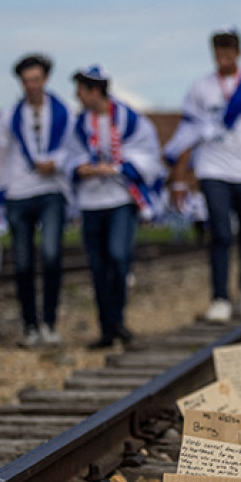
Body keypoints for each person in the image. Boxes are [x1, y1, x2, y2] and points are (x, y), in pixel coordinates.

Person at [165, 27, 241, 324]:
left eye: (228, 51)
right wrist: (179, 177)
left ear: (238, 53)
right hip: (212, 167)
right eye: (218, 51)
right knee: (220, 233)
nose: (223, 57)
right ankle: (220, 297)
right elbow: (188, 132)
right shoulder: (200, 87)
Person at [65, 65, 164, 349]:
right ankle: (107, 327)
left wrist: (120, 167)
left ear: (95, 91)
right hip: (91, 201)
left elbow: (149, 156)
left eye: (81, 91)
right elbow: (68, 157)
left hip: (120, 199)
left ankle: (118, 319)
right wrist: (79, 167)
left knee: (118, 257)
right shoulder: (80, 124)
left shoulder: (129, 120)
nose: (78, 97)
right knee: (98, 266)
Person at [0, 53, 74, 347]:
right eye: (26, 81)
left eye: (36, 79)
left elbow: (75, 148)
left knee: (50, 255)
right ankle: (30, 326)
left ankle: (49, 322)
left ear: (45, 79)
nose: (31, 86)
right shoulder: (10, 115)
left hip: (51, 190)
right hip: (19, 194)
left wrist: (56, 162)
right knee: (22, 263)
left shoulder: (64, 112)